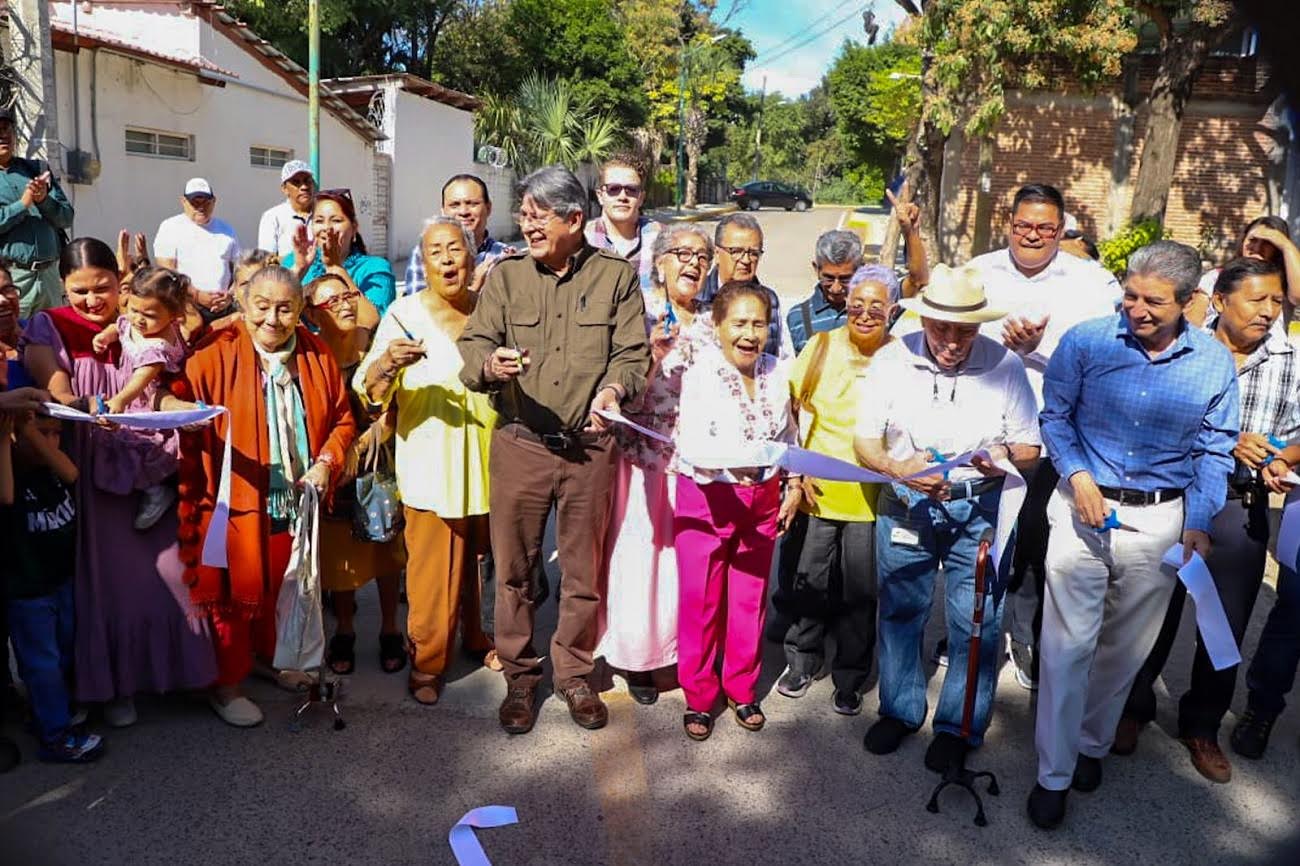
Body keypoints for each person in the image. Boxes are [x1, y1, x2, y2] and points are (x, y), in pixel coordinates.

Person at [1029, 240, 1238, 830]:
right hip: (1080, 510)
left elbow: (1214, 449)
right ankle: (1053, 774)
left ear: (1190, 302)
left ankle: (1093, 745)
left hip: (1158, 521)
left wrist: (1199, 520)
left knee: (1124, 653)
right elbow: (1055, 416)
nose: (1137, 310)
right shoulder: (1088, 340)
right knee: (1066, 649)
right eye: (1130, 296)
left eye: (1154, 302)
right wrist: (1076, 474)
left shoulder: (1213, 362)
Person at [458, 164, 650, 734]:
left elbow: (633, 356)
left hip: (590, 449)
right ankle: (520, 676)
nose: (528, 223)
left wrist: (614, 390)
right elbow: (474, 346)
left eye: (539, 214)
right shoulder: (508, 276)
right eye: (524, 213)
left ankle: (573, 673)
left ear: (574, 219)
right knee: (513, 568)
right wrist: (490, 366)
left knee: (582, 571)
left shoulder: (616, 278)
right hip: (521, 443)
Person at [1111, 257, 1296, 783]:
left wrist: (1283, 459)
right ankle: (1131, 707)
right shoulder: (1181, 348)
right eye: (1257, 300)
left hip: (1240, 505)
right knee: (1152, 610)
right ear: (1218, 301)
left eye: (1276, 303)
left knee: (1225, 624)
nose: (1268, 313)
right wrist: (1227, 439)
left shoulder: (1291, 359)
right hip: (1171, 498)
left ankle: (1202, 726)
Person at [22, 237, 217, 728]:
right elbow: (55, 384)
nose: (91, 300)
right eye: (79, 290)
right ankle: (118, 686)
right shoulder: (50, 324)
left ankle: (185, 672)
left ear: (120, 281)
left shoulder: (144, 319)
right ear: (62, 287)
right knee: (107, 581)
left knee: (172, 572)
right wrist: (81, 404)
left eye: (102, 287)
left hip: (150, 455)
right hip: (90, 459)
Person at [854, 264, 1040, 769]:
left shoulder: (1005, 366)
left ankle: (959, 726)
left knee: (976, 618)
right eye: (942, 329)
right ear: (924, 320)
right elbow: (864, 440)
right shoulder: (892, 360)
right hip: (908, 503)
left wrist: (1001, 453)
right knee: (899, 610)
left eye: (965, 331)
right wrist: (896, 468)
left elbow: (1030, 447)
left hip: (978, 506)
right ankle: (898, 710)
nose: (952, 342)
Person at [173, 264, 356, 727]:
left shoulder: (315, 353)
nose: (272, 319)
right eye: (262, 307)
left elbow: (342, 420)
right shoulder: (214, 352)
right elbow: (176, 399)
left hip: (293, 496)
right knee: (236, 592)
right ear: (243, 303)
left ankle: (267, 659)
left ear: (300, 312)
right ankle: (226, 684)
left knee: (279, 586)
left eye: (285, 309)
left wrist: (326, 462)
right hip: (234, 496)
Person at [966, 183, 1121, 692]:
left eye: (1045, 228)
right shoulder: (979, 272)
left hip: (1058, 437)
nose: (1033, 236)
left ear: (1062, 230)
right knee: (982, 537)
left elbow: (1103, 364)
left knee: (1037, 542)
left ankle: (1027, 635)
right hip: (987, 431)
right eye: (1023, 226)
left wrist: (1039, 348)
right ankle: (973, 635)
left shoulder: (1091, 283)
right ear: (1008, 224)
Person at [360, 216, 498, 704]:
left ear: (471, 256)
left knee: (478, 562)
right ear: (423, 261)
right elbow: (368, 388)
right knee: (431, 572)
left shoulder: (491, 310)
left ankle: (477, 637)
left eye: (455, 249)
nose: (446, 259)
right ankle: (427, 663)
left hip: (488, 459)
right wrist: (387, 364)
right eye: (435, 251)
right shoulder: (402, 314)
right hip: (429, 462)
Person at [673, 281, 801, 740]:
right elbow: (692, 444)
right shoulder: (701, 374)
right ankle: (699, 697)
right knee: (701, 602)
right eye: (740, 323)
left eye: (759, 324)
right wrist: (740, 461)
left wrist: (795, 483)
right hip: (707, 497)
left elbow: (788, 436)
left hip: (762, 499)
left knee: (749, 598)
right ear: (718, 326)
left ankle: (742, 688)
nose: (750, 334)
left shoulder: (777, 371)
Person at [597, 224, 715, 705]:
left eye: (702, 256)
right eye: (682, 253)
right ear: (660, 263)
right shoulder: (637, 316)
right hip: (641, 461)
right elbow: (619, 390)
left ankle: (683, 653)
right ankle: (639, 659)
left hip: (698, 461)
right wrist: (652, 356)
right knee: (641, 560)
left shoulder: (716, 320)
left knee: (686, 565)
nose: (692, 263)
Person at [775, 264, 900, 716]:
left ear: (892, 311)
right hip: (818, 491)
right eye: (856, 305)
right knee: (808, 582)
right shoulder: (822, 345)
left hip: (872, 500)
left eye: (876, 307)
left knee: (859, 594)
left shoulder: (901, 358)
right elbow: (789, 406)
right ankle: (801, 661)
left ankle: (850, 677)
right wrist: (795, 469)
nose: (865, 314)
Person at [302, 272, 406, 678]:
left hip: (377, 465)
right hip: (334, 469)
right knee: (338, 553)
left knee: (385, 550)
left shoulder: (373, 346)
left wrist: (362, 445)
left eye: (349, 295)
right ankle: (344, 627)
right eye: (332, 301)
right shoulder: (311, 356)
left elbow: (394, 408)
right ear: (311, 313)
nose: (346, 305)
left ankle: (389, 628)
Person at [1, 410, 104, 762]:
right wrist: (17, 432)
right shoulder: (12, 473)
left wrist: (30, 429)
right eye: (43, 433)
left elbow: (71, 472)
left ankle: (45, 714)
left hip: (60, 582)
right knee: (41, 663)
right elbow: (6, 498)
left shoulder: (53, 471)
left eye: (57, 433)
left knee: (60, 654)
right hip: (28, 592)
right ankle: (55, 736)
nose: (51, 441)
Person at [88, 267, 190, 529]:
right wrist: (105, 336)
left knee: (139, 444)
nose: (138, 320)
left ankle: (157, 490)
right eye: (134, 309)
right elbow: (119, 326)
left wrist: (121, 399)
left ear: (173, 316)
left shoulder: (157, 345)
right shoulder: (132, 322)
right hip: (133, 394)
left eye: (149, 315)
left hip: (148, 399)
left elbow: (142, 377)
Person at [284, 189, 393, 334]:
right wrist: (299, 269)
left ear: (354, 228)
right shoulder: (294, 261)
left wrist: (335, 267)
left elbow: (371, 322)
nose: (327, 228)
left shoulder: (374, 268)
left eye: (336, 220)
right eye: (319, 221)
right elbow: (272, 308)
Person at [0, 107, 74, 318]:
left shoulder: (37, 169)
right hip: (12, 280)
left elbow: (66, 217)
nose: (2, 135)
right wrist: (22, 205)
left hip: (49, 275)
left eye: (6, 129)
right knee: (13, 340)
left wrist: (43, 200)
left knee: (53, 340)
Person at [701, 213, 794, 360]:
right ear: (717, 254)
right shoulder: (697, 296)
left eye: (753, 253)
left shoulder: (770, 300)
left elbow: (781, 358)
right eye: (736, 252)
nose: (746, 260)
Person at [402, 174, 513, 297]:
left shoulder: (504, 256)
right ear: (443, 211)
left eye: (472, 204)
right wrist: (475, 287)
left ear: (488, 208)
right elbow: (417, 311)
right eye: (454, 205)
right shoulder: (425, 253)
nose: (463, 212)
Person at [153, 178, 241, 326]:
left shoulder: (227, 230)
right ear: (183, 202)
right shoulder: (170, 227)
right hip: (187, 310)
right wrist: (197, 295)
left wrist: (230, 296)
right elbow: (167, 271)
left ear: (214, 201)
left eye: (206, 202)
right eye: (195, 202)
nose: (201, 207)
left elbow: (240, 269)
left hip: (223, 310)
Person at [584, 156, 661, 291]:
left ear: (641, 197)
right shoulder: (581, 239)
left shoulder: (661, 238)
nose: (622, 197)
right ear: (600, 196)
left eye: (631, 189)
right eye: (613, 189)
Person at [785, 230, 864, 356]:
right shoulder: (798, 317)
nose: (836, 288)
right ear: (816, 269)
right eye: (828, 278)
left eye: (845, 279)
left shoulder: (873, 315)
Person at [258, 160, 315, 257]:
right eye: (296, 182)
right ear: (284, 189)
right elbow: (268, 259)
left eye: (307, 181)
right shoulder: (272, 217)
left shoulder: (322, 214)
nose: (304, 187)